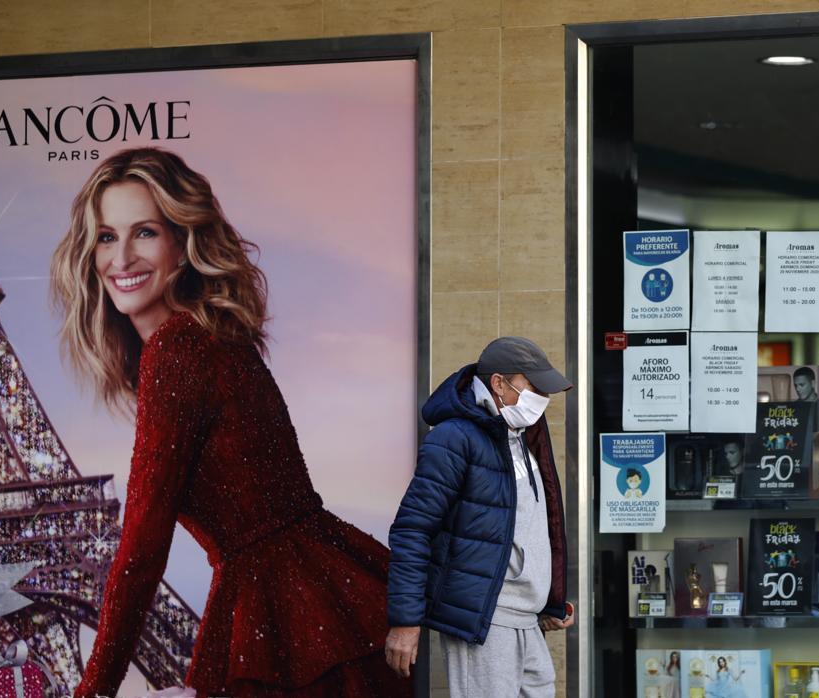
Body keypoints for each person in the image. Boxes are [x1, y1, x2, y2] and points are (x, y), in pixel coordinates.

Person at [52, 147, 408, 698]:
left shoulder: (177, 348)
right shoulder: (205, 338)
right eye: (105, 236)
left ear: (182, 243)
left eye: (144, 232)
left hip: (282, 609)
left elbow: (144, 542)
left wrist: (93, 689)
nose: (120, 257)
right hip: (313, 593)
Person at [385, 337, 575, 697]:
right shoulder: (454, 439)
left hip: (527, 620)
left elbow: (533, 524)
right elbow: (413, 529)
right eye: (533, 387)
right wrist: (405, 621)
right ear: (499, 384)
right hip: (487, 619)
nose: (541, 399)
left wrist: (550, 599)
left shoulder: (522, 435)